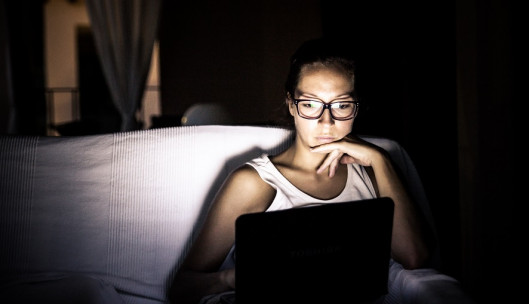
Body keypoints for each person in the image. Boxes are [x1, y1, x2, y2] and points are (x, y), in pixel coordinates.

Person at [168, 37, 434, 304]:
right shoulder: (254, 182)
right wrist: (232, 278)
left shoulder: (374, 171)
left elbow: (414, 258)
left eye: (341, 105)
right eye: (310, 104)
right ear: (291, 104)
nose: (326, 122)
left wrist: (381, 160)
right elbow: (181, 288)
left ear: (356, 109)